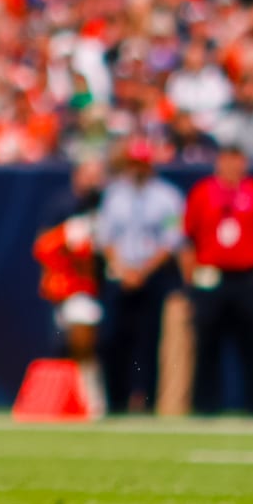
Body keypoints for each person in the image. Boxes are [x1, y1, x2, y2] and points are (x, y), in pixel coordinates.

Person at [181, 145, 253, 415]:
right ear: (219, 163)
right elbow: (188, 236)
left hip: (246, 276)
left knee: (252, 344)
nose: (233, 167)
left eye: (238, 161)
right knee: (207, 343)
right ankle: (204, 405)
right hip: (211, 275)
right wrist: (191, 272)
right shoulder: (203, 192)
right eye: (228, 161)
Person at [95, 140, 186, 414]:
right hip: (119, 275)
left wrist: (142, 272)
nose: (137, 169)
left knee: (148, 342)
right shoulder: (114, 194)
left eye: (141, 164)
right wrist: (124, 270)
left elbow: (170, 241)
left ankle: (146, 401)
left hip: (151, 276)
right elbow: (105, 237)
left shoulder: (167, 196)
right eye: (133, 163)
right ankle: (116, 401)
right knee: (112, 340)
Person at [34, 156, 108, 417]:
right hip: (71, 287)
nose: (93, 180)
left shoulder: (107, 204)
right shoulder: (62, 206)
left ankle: (93, 401)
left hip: (99, 285)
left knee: (88, 346)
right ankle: (85, 401)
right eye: (88, 173)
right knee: (75, 346)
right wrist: (65, 234)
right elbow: (43, 247)